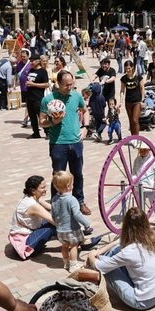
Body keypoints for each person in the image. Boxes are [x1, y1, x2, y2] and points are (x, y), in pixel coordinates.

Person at [76, 208, 155, 311]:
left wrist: (92, 255)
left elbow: (100, 266)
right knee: (114, 251)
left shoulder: (130, 251)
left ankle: (88, 278)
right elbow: (120, 242)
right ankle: (89, 273)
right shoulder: (153, 239)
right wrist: (100, 250)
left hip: (141, 301)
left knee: (104, 264)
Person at [39, 70, 92, 215]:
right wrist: (52, 122)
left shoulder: (76, 96)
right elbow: (41, 122)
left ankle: (79, 202)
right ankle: (57, 205)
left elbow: (85, 111)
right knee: (58, 176)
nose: (70, 87)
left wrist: (85, 128)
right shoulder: (48, 100)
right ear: (58, 83)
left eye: (72, 84)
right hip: (58, 143)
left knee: (78, 174)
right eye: (67, 85)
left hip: (75, 142)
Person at [50, 171, 92, 272]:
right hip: (72, 229)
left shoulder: (54, 199)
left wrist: (58, 223)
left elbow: (53, 214)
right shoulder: (72, 199)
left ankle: (66, 263)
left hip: (60, 230)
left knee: (64, 246)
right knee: (74, 246)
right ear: (69, 186)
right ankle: (73, 265)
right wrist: (87, 224)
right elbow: (77, 214)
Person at [132, 140, 155, 230]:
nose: (142, 151)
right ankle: (142, 222)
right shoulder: (137, 160)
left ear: (149, 150)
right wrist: (133, 179)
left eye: (145, 150)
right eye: (141, 150)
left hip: (150, 187)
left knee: (154, 205)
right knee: (140, 206)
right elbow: (134, 172)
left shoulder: (153, 159)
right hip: (139, 187)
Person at [25, 55, 51, 139]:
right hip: (29, 97)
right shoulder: (31, 70)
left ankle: (48, 132)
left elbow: (46, 84)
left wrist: (34, 84)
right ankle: (35, 133)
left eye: (32, 61)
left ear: (38, 61)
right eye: (30, 61)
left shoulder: (43, 71)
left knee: (41, 116)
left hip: (38, 98)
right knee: (32, 116)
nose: (31, 63)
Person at [120, 60, 144, 136]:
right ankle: (132, 137)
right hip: (128, 101)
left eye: (129, 68)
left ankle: (137, 137)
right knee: (131, 121)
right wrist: (121, 101)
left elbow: (142, 88)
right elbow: (122, 90)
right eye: (126, 68)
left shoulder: (138, 77)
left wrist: (142, 100)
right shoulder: (123, 78)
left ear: (132, 67)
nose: (127, 70)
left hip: (137, 101)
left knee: (135, 120)